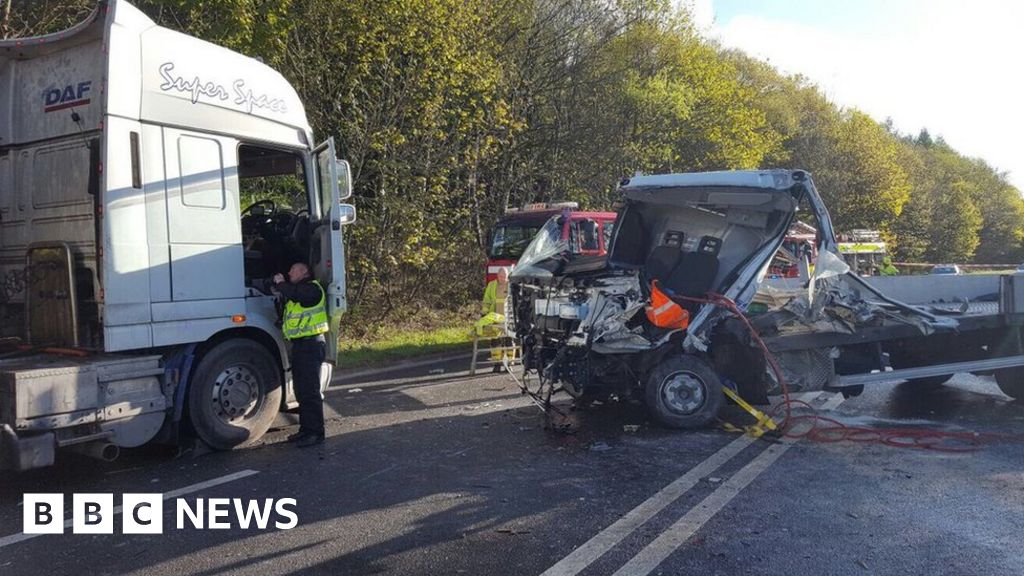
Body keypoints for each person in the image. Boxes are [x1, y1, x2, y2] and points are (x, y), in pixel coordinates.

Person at [273, 262, 329, 448]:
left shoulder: (313, 289)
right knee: (301, 392)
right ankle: (305, 430)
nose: (289, 272)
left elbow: (296, 294)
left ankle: (316, 433)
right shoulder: (299, 289)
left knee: (310, 391)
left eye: (292, 269)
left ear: (304, 272)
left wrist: (281, 284)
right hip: (301, 346)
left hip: (311, 345)